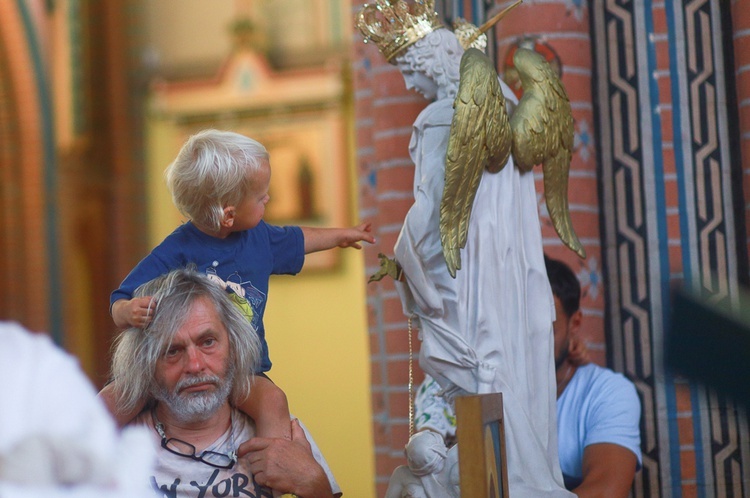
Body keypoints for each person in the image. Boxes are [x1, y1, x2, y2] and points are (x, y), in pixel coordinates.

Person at [358, 2, 568, 495]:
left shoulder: (442, 117)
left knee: (472, 365)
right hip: (506, 268)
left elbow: (433, 210)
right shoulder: (510, 105)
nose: (410, 84)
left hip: (465, 276)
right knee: (500, 365)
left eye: (409, 68)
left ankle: (516, 477)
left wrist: (405, 259)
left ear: (432, 59)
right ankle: (524, 474)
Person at [104, 129, 375, 445]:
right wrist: (127, 310)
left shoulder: (260, 239)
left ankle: (275, 468)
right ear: (229, 214)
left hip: (243, 370)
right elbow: (121, 297)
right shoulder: (175, 251)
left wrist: (342, 235)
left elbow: (299, 239)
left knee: (273, 401)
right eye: (261, 197)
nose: (268, 199)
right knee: (111, 402)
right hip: (174, 370)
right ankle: (85, 466)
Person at [414, 255, 643, 497]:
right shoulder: (473, 385)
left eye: (544, 330)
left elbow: (605, 491)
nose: (529, 344)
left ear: (575, 323)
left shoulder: (606, 393)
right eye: (516, 327)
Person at [109, 267, 342, 498]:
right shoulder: (113, 449)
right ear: (145, 362)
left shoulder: (281, 433)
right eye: (172, 350)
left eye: (208, 342)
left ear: (233, 346)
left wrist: (313, 483)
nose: (195, 365)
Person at [0, 321, 154, 498]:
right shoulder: (34, 368)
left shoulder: (36, 368)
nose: (193, 365)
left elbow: (108, 480)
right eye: (173, 351)